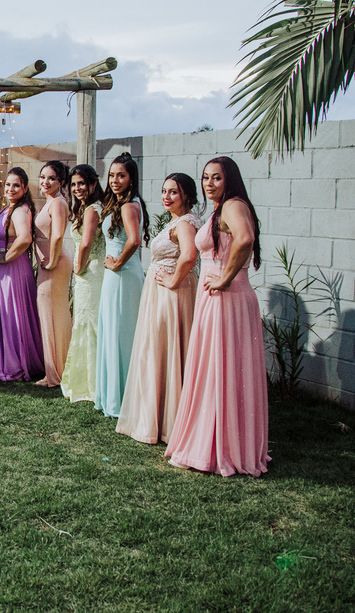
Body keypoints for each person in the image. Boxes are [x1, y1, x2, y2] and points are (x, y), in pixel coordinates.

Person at [166, 157, 269, 477]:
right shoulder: (219, 209)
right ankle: (211, 439)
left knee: (220, 365)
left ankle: (220, 445)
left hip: (227, 298)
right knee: (214, 365)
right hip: (217, 297)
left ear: (230, 180)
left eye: (217, 178)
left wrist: (225, 278)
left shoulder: (233, 205)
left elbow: (246, 238)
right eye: (205, 177)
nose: (209, 183)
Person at [116, 173, 201, 444]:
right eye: (164, 191)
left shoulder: (185, 223)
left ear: (187, 195)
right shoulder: (177, 221)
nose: (166, 196)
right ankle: (159, 415)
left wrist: (173, 280)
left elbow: (189, 255)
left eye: (173, 192)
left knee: (165, 347)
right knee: (159, 349)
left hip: (171, 294)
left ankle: (167, 421)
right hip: (161, 292)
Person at [94, 152, 149, 418]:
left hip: (122, 276)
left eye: (121, 176)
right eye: (112, 175)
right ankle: (117, 394)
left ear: (131, 179)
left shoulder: (128, 206)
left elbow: (134, 240)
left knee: (119, 333)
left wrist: (117, 264)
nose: (115, 180)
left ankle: (121, 398)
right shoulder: (125, 203)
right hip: (121, 275)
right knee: (118, 331)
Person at [0, 168, 45, 382]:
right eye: (8, 184)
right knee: (5, 311)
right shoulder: (8, 208)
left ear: (25, 189)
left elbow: (25, 238)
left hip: (12, 269)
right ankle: (6, 358)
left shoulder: (20, 210)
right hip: (1, 270)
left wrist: (6, 257)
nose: (11, 188)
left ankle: (15, 363)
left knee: (12, 312)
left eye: (16, 185)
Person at [60, 164, 104, 403]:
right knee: (86, 321)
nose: (77, 188)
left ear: (93, 184)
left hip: (89, 271)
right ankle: (88, 378)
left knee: (89, 322)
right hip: (90, 271)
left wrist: (78, 267)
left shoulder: (92, 210)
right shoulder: (88, 208)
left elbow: (86, 243)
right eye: (74, 184)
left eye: (82, 183)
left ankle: (92, 382)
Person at [34, 160, 72, 388]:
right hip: (48, 264)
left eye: (51, 178)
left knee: (53, 317)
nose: (45, 182)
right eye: (42, 177)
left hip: (54, 265)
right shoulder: (49, 202)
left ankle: (55, 374)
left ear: (61, 182)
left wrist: (52, 260)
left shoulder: (58, 203)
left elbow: (57, 235)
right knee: (49, 316)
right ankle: (55, 370)